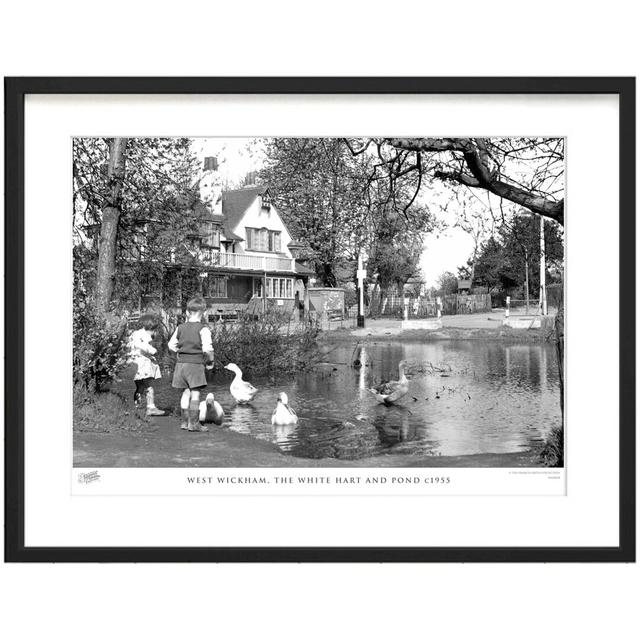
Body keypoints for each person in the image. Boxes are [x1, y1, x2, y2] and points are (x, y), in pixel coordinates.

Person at [168, 297, 214, 432]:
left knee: (185, 392)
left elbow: (171, 345)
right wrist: (210, 362)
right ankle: (194, 423)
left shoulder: (180, 327)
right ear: (204, 314)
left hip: (181, 365)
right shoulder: (203, 329)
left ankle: (184, 422)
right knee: (195, 394)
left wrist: (180, 353)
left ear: (187, 313)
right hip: (195, 365)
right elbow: (207, 349)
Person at [128, 313, 165, 417]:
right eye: (153, 330)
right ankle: (151, 407)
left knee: (139, 387)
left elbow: (132, 346)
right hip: (142, 365)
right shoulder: (142, 335)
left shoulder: (134, 334)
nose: (153, 333)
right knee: (149, 387)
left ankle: (137, 407)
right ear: (148, 327)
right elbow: (142, 345)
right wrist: (153, 350)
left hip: (135, 365)